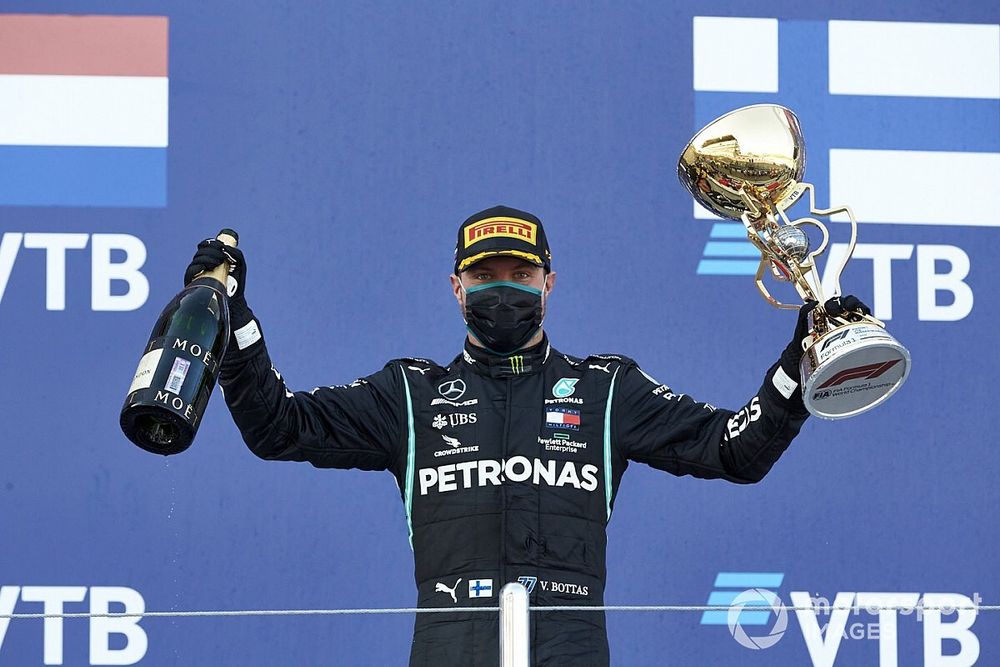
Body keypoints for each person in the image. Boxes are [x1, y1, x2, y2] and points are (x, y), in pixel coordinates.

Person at [185, 205, 869, 666]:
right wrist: (235, 320)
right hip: (448, 650)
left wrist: (800, 360)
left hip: (571, 649)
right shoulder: (409, 394)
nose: (503, 289)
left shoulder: (605, 389)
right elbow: (277, 427)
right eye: (484, 277)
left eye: (520, 275)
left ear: (550, 283)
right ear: (456, 287)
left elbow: (735, 450)